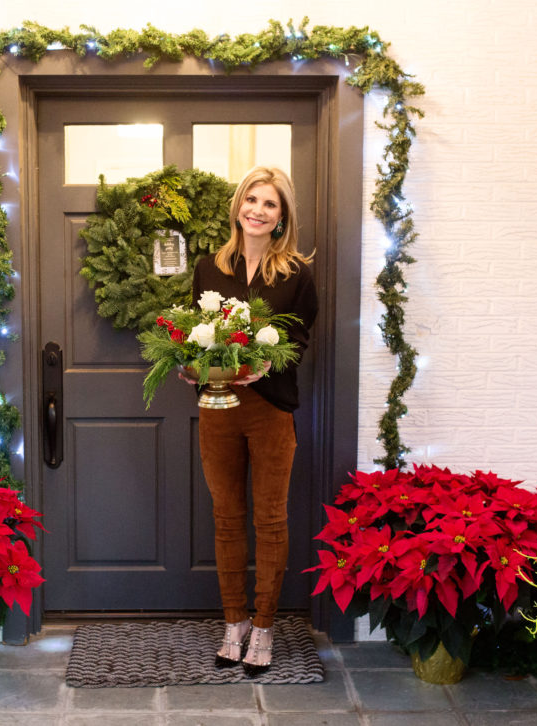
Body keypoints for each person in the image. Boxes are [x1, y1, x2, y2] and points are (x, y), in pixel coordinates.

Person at [190, 166, 318, 676]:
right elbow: (199, 333)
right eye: (251, 200)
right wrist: (193, 367)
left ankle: (264, 627)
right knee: (226, 518)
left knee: (269, 520)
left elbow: (301, 340)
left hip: (270, 410)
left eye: (270, 204)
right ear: (238, 206)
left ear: (282, 216)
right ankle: (234, 622)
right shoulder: (208, 267)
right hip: (218, 407)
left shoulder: (296, 275)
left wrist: (268, 364)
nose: (257, 211)